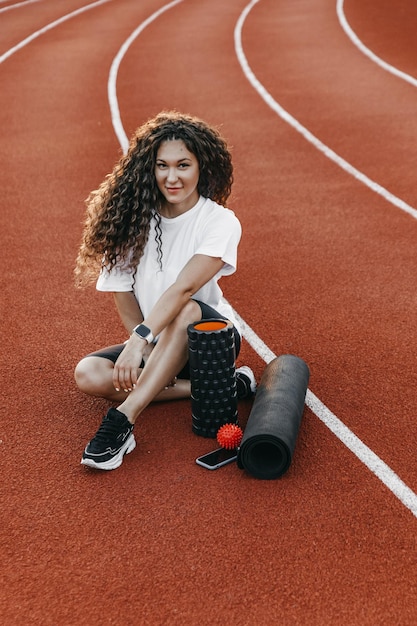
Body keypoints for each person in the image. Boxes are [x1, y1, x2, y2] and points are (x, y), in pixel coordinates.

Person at [74, 111, 256, 471]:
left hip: (208, 340)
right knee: (88, 373)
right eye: (162, 166)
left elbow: (184, 287)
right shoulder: (134, 217)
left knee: (185, 308)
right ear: (150, 169)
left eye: (183, 165)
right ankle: (223, 387)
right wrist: (140, 341)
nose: (172, 177)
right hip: (156, 339)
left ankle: (124, 420)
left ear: (202, 167)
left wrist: (139, 342)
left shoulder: (219, 221)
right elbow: (122, 291)